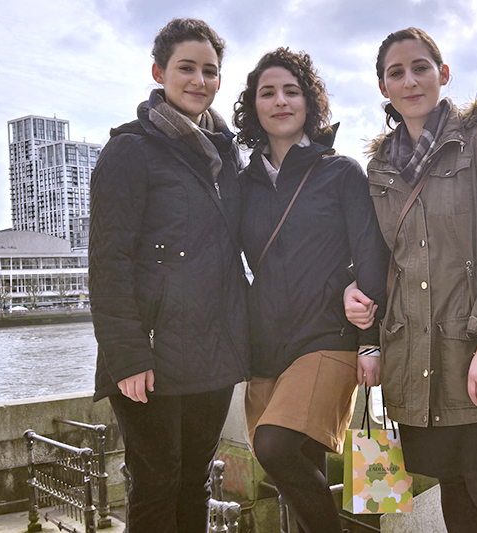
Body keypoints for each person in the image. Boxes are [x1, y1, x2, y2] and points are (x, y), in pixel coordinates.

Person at [343, 27, 477, 533]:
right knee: (452, 484)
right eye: (395, 72)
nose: (410, 80)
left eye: (420, 67)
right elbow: (378, 262)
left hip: (474, 351)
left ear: (443, 74)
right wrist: (366, 339)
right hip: (414, 354)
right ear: (383, 87)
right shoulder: (379, 167)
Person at [88, 18, 248, 533]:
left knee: (194, 483)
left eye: (210, 70)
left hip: (211, 355)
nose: (199, 80)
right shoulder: (130, 151)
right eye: (186, 68)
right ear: (159, 72)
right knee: (155, 485)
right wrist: (127, 357)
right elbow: (107, 264)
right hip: (150, 357)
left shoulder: (225, 156)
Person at [233, 48, 388, 533]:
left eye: (291, 91)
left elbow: (370, 254)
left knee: (273, 445)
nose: (280, 101)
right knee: (303, 469)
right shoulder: (242, 185)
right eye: (267, 92)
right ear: (253, 106)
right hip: (266, 346)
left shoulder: (339, 172)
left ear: (309, 103)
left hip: (328, 336)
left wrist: (371, 339)